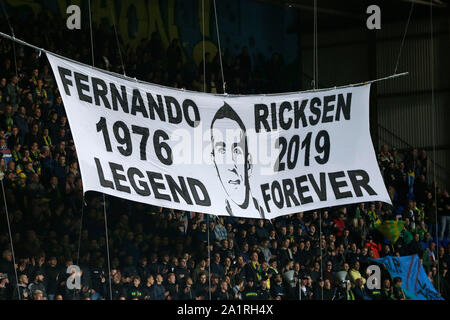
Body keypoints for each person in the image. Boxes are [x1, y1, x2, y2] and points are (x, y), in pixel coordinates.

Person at [210, 103, 264, 218]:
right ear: (213, 163)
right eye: (222, 151)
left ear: (249, 164)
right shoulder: (217, 212)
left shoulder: (263, 210)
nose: (230, 164)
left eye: (236, 151)